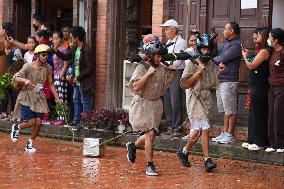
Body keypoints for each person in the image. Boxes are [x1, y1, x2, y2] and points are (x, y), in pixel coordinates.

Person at [126, 34, 176, 176]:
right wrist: (148, 74)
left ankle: (133, 145)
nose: (160, 59)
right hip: (142, 104)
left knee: (151, 135)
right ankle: (150, 165)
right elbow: (135, 87)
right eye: (157, 56)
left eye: (161, 56)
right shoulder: (141, 67)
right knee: (150, 134)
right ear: (150, 55)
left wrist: (169, 68)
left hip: (156, 105)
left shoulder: (161, 67)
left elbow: (167, 82)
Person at [177, 33, 218, 172]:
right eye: (203, 49)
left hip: (206, 98)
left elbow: (213, 83)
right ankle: (207, 160)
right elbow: (184, 84)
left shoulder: (211, 64)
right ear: (199, 49)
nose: (206, 52)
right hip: (194, 98)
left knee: (198, 131)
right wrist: (197, 73)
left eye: (208, 49)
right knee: (205, 128)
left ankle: (184, 151)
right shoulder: (192, 63)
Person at [10, 44, 61, 153]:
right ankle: (17, 127)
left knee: (38, 122)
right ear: (38, 55)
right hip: (27, 96)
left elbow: (51, 84)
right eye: (43, 55)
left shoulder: (48, 68)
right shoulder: (28, 66)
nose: (45, 57)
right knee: (31, 122)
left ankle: (29, 144)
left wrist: (57, 98)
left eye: (47, 55)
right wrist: (25, 81)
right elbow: (15, 77)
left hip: (39, 96)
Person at [53, 26, 94, 131]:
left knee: (84, 100)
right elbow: (66, 57)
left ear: (76, 38)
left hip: (83, 80)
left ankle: (85, 121)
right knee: (76, 99)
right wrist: (56, 51)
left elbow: (90, 68)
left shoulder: (87, 49)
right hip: (76, 80)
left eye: (71, 37)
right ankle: (76, 120)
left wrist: (78, 77)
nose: (70, 39)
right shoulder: (74, 48)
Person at [212, 22, 242, 144]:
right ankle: (225, 132)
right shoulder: (224, 43)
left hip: (229, 80)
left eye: (226, 29)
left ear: (232, 31)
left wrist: (215, 60)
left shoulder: (236, 45)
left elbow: (222, 58)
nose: (223, 31)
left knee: (231, 110)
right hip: (221, 80)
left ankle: (230, 135)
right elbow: (215, 56)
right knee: (225, 110)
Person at [241, 28, 270, 151]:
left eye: (257, 37)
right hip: (254, 86)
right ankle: (252, 140)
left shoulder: (265, 51)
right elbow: (254, 59)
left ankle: (260, 142)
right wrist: (249, 54)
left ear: (263, 37)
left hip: (260, 87)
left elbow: (251, 65)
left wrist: (244, 57)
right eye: (253, 38)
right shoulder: (259, 51)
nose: (255, 40)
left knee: (258, 114)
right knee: (252, 114)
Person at [160, 19, 187, 137]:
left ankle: (178, 126)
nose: (165, 32)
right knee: (167, 100)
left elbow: (178, 60)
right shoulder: (168, 42)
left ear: (174, 30)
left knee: (175, 100)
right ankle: (170, 125)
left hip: (176, 72)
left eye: (167, 29)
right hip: (167, 72)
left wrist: (168, 66)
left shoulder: (181, 42)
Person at [265, 28, 284, 153]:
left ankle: (281, 144)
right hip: (272, 87)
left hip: (282, 87)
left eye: (270, 37)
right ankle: (273, 143)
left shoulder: (283, 52)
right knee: (271, 115)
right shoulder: (271, 52)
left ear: (276, 39)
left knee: (279, 115)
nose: (269, 39)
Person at [52, 31, 70, 125]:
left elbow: (66, 63)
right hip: (56, 76)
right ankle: (59, 117)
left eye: (57, 38)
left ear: (61, 39)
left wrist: (61, 75)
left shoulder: (64, 50)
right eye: (53, 38)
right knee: (57, 97)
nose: (54, 40)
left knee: (61, 97)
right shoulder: (56, 50)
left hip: (60, 77)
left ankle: (63, 118)